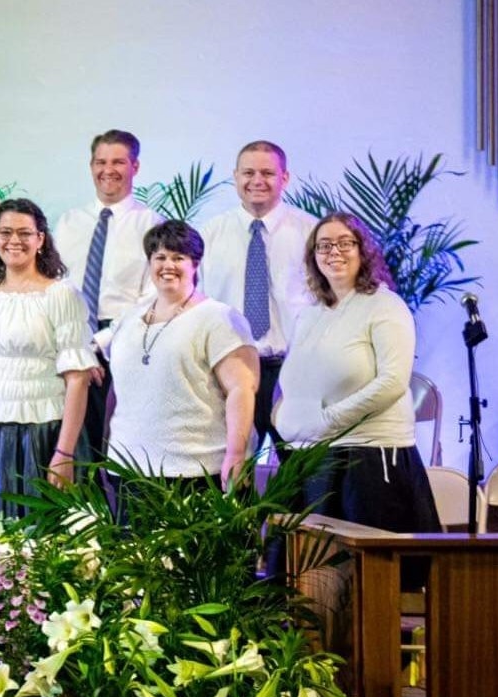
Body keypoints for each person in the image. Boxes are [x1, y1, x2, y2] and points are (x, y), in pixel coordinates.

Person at [274, 213, 441, 534]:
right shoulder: (310, 313)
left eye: (344, 243)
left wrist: (329, 420)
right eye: (323, 246)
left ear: (363, 250)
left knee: (365, 575)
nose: (333, 252)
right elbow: (291, 378)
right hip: (310, 458)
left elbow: (392, 382)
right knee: (305, 572)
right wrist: (282, 414)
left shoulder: (384, 305)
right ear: (313, 257)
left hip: (367, 460)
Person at [0, 199, 94, 514]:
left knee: (36, 538)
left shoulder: (60, 294)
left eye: (24, 233)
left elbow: (78, 380)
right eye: (5, 232)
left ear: (40, 239)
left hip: (40, 435)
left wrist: (65, 453)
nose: (13, 240)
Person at [106, 221, 258, 487]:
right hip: (129, 469)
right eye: (160, 257)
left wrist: (236, 455)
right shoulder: (128, 319)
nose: (168, 265)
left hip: (195, 469)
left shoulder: (218, 317)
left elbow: (241, 390)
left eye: (179, 258)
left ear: (195, 264)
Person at [202, 140, 319, 453]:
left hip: (292, 371)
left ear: (285, 178)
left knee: (299, 473)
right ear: (235, 176)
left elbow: (325, 301)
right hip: (229, 371)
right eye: (248, 172)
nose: (257, 180)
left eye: (267, 173)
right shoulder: (209, 235)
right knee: (232, 474)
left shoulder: (311, 233)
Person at [54, 130, 162, 462]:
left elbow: (151, 299)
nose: (108, 170)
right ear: (91, 166)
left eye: (118, 161)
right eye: (101, 162)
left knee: (118, 451)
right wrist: (77, 346)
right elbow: (55, 287)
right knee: (71, 449)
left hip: (122, 343)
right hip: (70, 342)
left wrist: (98, 343)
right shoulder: (69, 222)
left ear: (135, 166)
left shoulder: (151, 225)